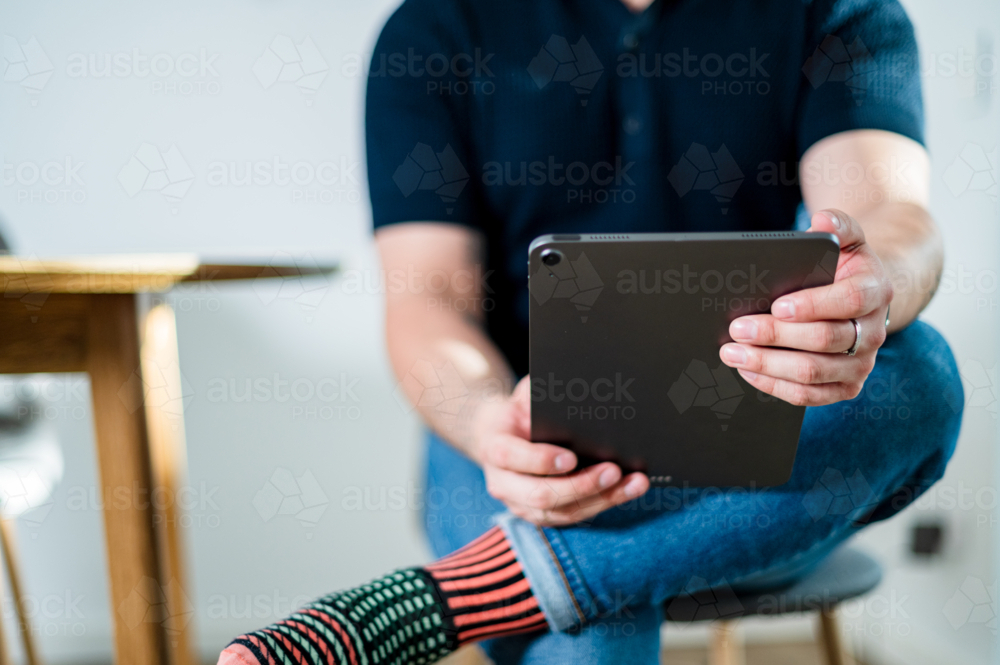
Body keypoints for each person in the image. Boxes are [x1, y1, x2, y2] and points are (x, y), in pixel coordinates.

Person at [218, 0, 963, 663]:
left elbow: (892, 220)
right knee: (589, 635)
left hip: (757, 472)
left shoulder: (835, 10)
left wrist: (873, 288)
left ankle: (464, 594)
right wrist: (487, 424)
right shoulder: (432, 30)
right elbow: (428, 301)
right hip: (515, 441)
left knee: (921, 376)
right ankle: (540, 574)